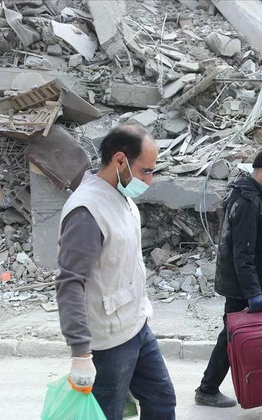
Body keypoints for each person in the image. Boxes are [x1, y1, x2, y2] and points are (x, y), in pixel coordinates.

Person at [55, 124, 176, 420]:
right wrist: (81, 353)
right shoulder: (86, 211)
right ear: (120, 160)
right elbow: (69, 284)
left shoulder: (120, 195)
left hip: (136, 326)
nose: (150, 179)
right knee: (108, 414)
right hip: (108, 343)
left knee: (162, 400)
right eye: (146, 171)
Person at [195, 149, 262, 408]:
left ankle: (255, 386)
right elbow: (243, 253)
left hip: (242, 283)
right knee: (232, 337)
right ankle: (208, 388)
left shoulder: (253, 195)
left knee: (235, 336)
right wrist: (253, 293)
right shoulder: (248, 201)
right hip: (241, 286)